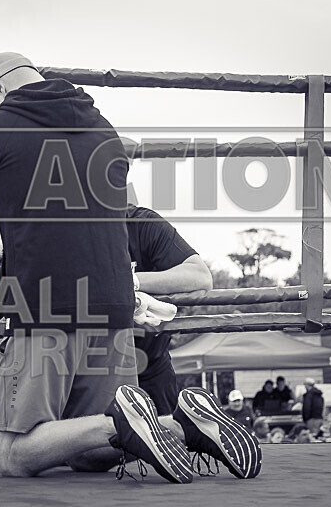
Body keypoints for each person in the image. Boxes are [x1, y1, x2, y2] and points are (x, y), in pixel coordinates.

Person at [0, 51, 259, 482]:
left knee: (13, 455)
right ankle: (181, 426)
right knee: (85, 456)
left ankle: (122, 422)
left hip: (44, 309)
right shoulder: (103, 128)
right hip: (116, 312)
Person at [123, 204, 260, 478]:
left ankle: (182, 428)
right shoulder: (64, 227)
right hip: (96, 364)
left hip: (148, 361)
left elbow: (200, 277)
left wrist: (131, 281)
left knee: (90, 459)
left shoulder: (138, 222)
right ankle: (188, 427)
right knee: (90, 459)